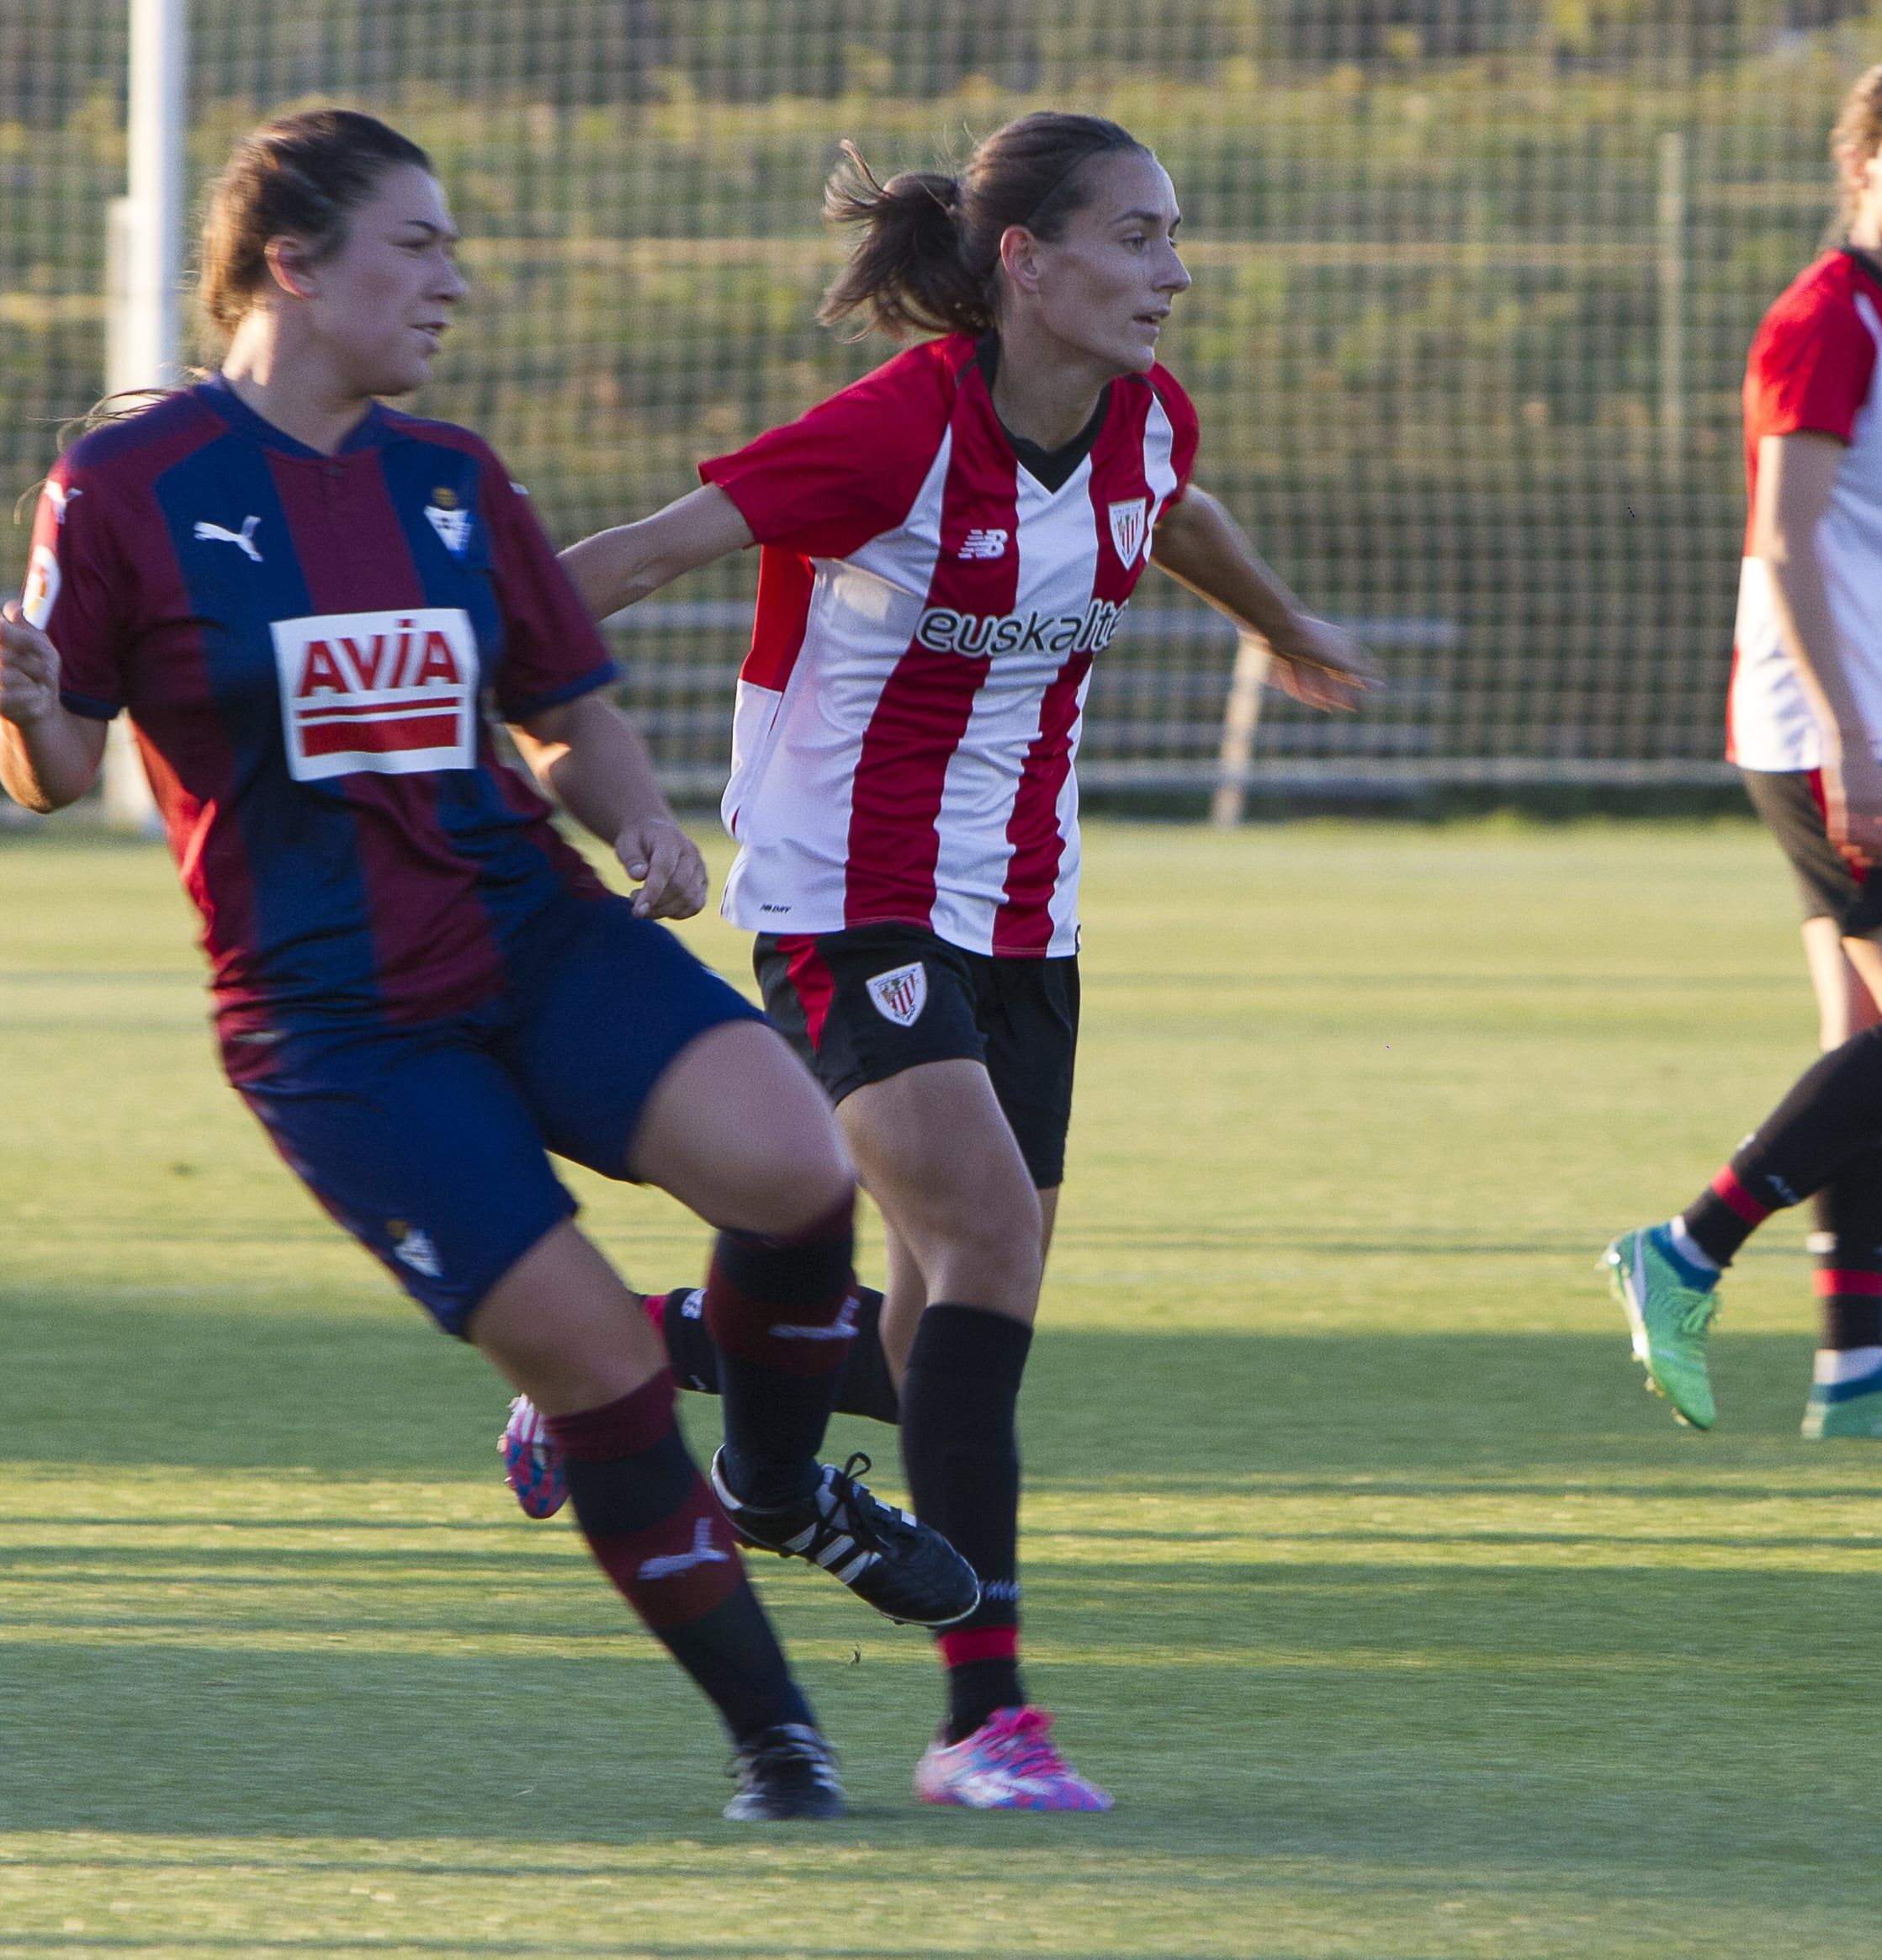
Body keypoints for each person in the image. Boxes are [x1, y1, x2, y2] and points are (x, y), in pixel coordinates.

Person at [0, 108, 978, 1824]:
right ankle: (775, 1741)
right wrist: (23, 698)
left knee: (799, 1171)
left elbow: (560, 713)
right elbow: (60, 771)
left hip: (530, 931)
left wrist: (639, 823)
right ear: (294, 262)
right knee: (592, 1371)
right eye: (415, 245)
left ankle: (785, 1487)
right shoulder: (126, 482)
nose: (451, 280)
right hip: (335, 1027)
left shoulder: (454, 481)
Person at [514, 110, 1377, 1809]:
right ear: (1023, 263)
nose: (1173, 272)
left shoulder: (1143, 424)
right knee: (981, 1239)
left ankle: (628, 1344)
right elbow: (623, 563)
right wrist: (460, 678)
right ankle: (986, 1717)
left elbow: (1173, 512)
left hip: (1024, 916)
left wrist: (1276, 624)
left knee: (934, 1352)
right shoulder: (891, 431)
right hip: (848, 898)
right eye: (1135, 238)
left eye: (1175, 233)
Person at [1598, 56, 1882, 1441]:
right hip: (1832, 729)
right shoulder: (1826, 319)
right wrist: (1854, 739)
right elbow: (1783, 539)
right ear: (1860, 166)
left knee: (1879, 1036)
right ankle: (1684, 1246)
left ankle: (1859, 1373)